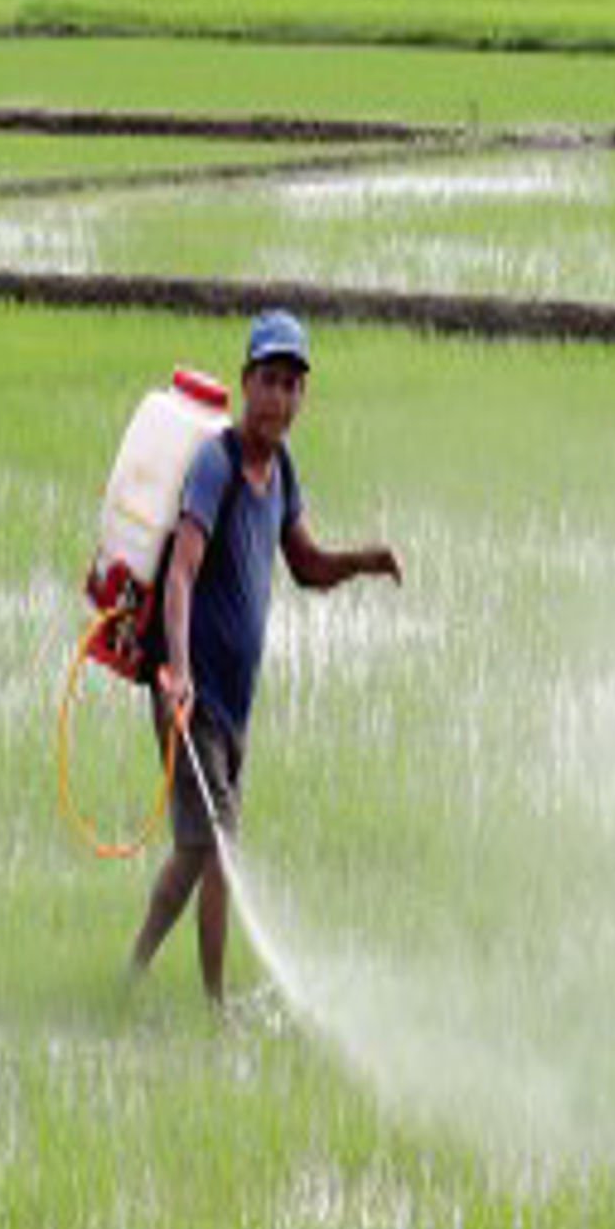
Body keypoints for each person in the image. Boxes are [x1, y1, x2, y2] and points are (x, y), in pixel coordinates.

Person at [129, 308, 400, 1007]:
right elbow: (182, 573)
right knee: (218, 851)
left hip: (232, 702)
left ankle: (132, 975)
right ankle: (215, 1008)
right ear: (246, 382)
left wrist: (363, 562)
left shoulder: (279, 470)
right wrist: (179, 674)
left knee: (195, 856)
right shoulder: (214, 467)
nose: (280, 397)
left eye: (292, 384)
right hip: (190, 694)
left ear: (302, 397)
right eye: (269, 380)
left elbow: (305, 564)